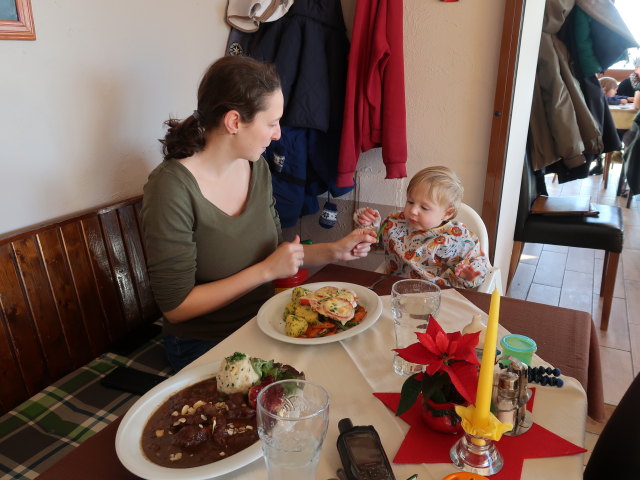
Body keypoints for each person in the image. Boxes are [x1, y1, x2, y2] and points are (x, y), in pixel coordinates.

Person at [141, 55, 376, 371]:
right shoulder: (171, 188)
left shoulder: (257, 168)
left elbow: (275, 254)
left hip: (264, 323)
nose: (278, 134)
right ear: (234, 122)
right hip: (203, 343)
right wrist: (266, 272)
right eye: (271, 123)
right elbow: (176, 307)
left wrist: (335, 250)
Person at [353, 166, 490, 289]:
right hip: (394, 289)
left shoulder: (458, 237)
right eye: (410, 202)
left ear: (447, 213)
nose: (413, 210)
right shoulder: (396, 222)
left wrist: (469, 274)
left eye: (424, 207)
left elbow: (479, 264)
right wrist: (371, 225)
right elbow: (375, 245)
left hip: (437, 295)